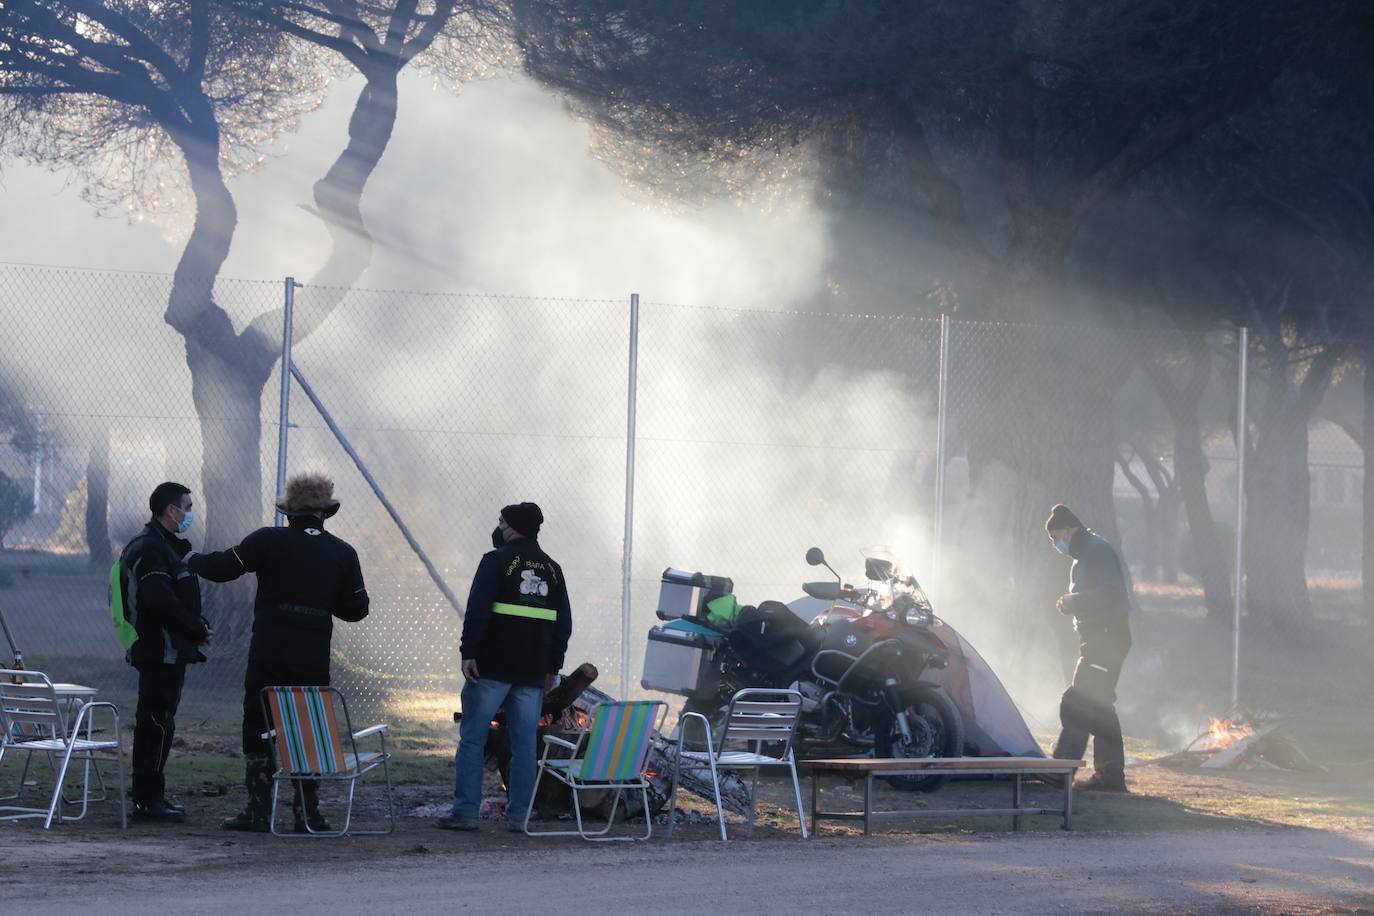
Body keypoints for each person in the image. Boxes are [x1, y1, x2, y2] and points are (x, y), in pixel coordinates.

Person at [188, 473, 369, 832]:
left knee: (258, 725)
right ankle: (308, 814)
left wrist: (193, 560)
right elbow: (357, 609)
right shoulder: (343, 553)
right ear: (325, 514)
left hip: (269, 652)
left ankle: (257, 811)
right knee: (308, 727)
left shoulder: (268, 540)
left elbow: (224, 568)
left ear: (289, 513)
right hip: (312, 657)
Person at [438, 502, 572, 832]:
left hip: (491, 670)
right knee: (526, 746)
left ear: (511, 527)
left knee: (472, 738)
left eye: (500, 521)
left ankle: (466, 813)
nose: (498, 526)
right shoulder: (553, 569)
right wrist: (552, 667)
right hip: (531, 673)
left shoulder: (495, 561)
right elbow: (563, 624)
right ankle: (520, 817)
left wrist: (468, 652)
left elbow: (478, 611)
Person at [119, 482, 213, 823]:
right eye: (187, 507)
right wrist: (196, 629)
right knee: (156, 724)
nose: (190, 513)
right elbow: (160, 601)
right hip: (160, 651)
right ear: (171, 511)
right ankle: (148, 801)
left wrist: (195, 626)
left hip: (168, 650)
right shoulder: (151, 548)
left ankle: (151, 797)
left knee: (158, 723)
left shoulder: (164, 546)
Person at [1045, 503, 1133, 792]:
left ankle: (1061, 770)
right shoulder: (1083, 556)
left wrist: (1076, 601)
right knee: (1100, 709)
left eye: (1056, 536)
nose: (1055, 544)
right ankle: (1110, 777)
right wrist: (1070, 604)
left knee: (1076, 701)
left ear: (1070, 530)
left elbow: (1111, 594)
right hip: (1098, 639)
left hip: (1106, 640)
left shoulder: (1097, 551)